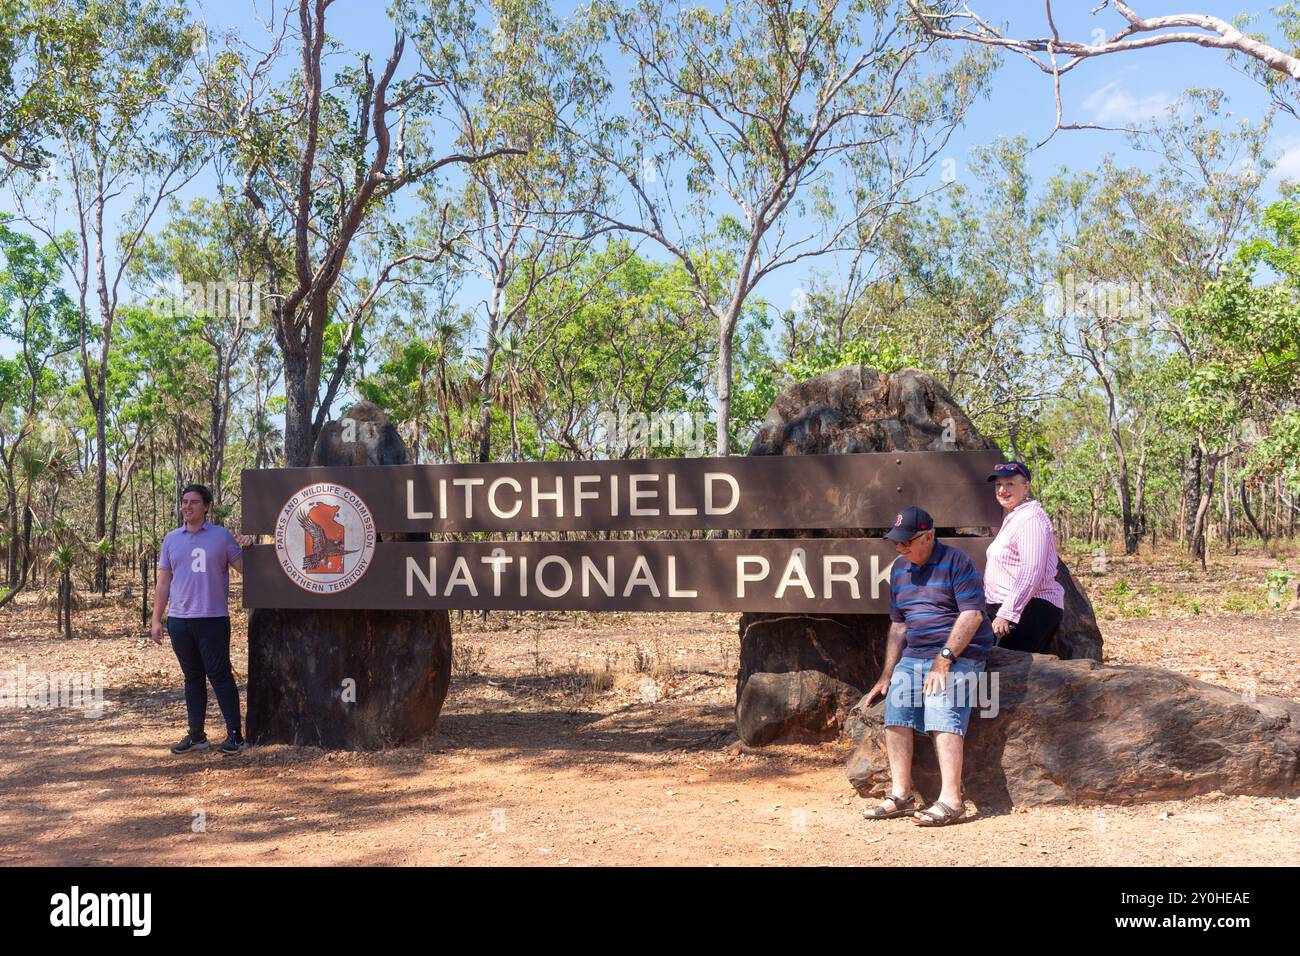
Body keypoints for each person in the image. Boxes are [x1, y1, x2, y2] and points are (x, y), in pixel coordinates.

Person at [861, 506, 994, 827]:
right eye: (897, 542)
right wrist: (886, 674)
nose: (900, 548)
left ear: (929, 537)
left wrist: (944, 658)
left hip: (960, 654)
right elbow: (898, 627)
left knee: (940, 705)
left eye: (907, 542)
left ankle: (951, 801)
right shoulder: (899, 570)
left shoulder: (956, 562)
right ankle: (901, 795)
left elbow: (972, 615)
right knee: (896, 708)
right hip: (915, 654)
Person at [150, 483, 252, 756]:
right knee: (192, 677)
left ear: (206, 506)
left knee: (220, 676)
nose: (187, 507)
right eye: (184, 502)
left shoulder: (221, 536)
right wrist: (156, 619)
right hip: (180, 620)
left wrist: (250, 547)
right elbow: (163, 582)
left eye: (193, 502)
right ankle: (197, 736)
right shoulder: (171, 539)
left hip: (213, 618)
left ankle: (235, 736)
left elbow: (244, 569)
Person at [984, 461, 1065, 654]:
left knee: (1006, 673)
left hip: (1029, 608)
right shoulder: (1015, 517)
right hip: (1013, 608)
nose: (1002, 490)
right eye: (998, 485)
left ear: (1026, 486)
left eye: (1010, 484)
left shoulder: (1031, 519)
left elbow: (1031, 571)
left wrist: (1007, 613)